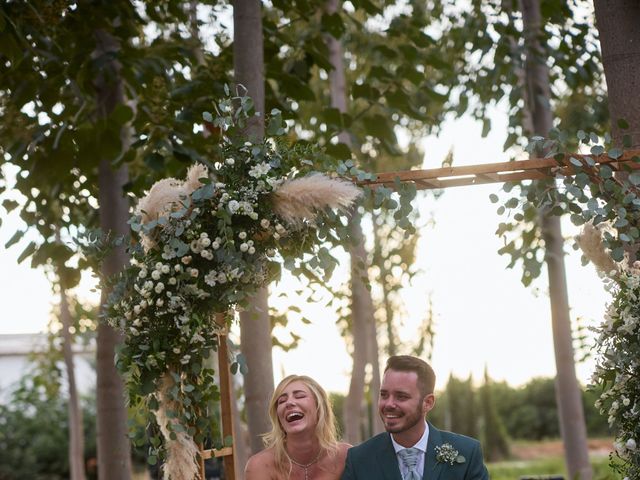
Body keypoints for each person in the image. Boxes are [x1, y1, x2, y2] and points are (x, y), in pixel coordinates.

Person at [341, 355, 489, 480]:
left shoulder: (467, 453)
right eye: (384, 395)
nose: (389, 404)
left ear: (428, 403)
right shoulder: (358, 459)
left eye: (401, 396)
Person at [245, 374, 351, 480]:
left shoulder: (347, 457)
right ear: (278, 418)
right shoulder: (259, 466)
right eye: (282, 401)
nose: (289, 403)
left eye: (300, 396)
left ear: (319, 408)